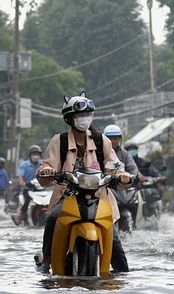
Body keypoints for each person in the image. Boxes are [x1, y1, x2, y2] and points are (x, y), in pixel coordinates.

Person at [35, 91, 133, 273]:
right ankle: (46, 261)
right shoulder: (60, 141)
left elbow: (114, 165)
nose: (84, 118)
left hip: (99, 198)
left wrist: (122, 175)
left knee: (115, 243)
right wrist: (47, 171)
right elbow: (47, 165)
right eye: (80, 115)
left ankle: (122, 274)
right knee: (54, 218)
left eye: (87, 114)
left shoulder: (101, 140)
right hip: (67, 196)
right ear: (70, 119)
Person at [13, 146, 43, 225]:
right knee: (27, 199)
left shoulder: (43, 164)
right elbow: (20, 178)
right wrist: (22, 183)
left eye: (38, 154)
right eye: (34, 154)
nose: (36, 156)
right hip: (28, 189)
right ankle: (21, 215)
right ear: (30, 155)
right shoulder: (24, 165)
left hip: (41, 190)